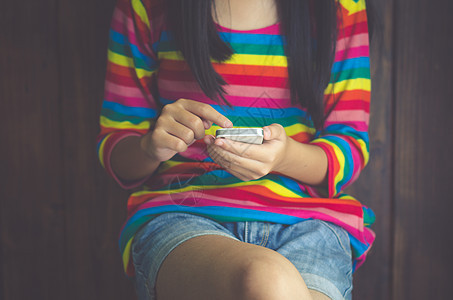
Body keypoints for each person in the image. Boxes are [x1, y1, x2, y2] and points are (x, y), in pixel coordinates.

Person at [97, 0, 375, 299]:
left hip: (310, 227)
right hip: (183, 216)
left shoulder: (340, 7)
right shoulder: (146, 7)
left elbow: (350, 146)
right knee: (267, 278)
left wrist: (284, 158)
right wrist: (151, 147)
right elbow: (117, 150)